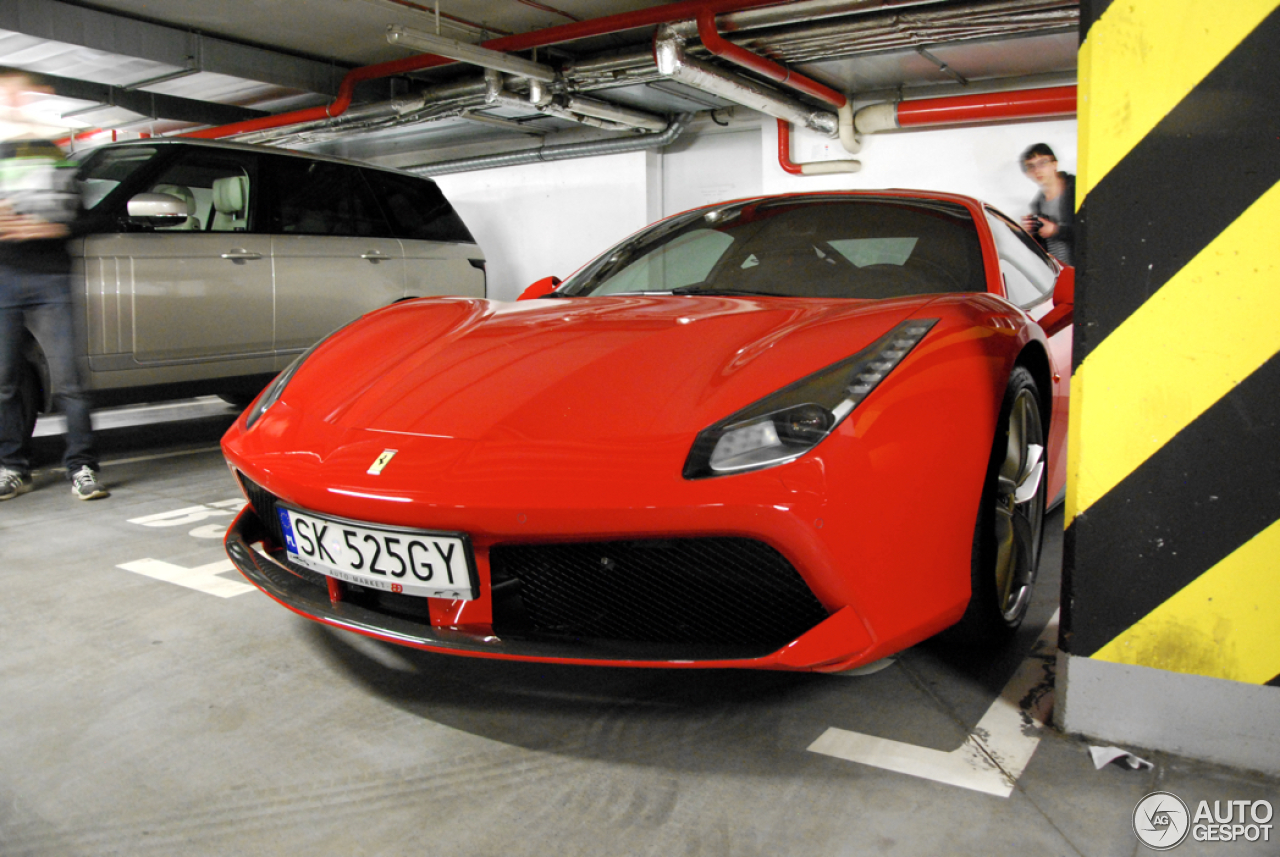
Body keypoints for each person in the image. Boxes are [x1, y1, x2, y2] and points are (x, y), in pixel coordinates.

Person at [0, 67, 107, 501]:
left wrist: (52, 229)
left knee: (70, 381)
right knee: (4, 380)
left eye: (18, 93)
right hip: (3, 278)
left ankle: (82, 466)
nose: (13, 101)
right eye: (7, 94)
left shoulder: (54, 151)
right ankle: (11, 467)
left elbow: (88, 216)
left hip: (52, 278)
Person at [1019, 143, 1075, 267]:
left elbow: (1094, 231)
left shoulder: (1077, 190)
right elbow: (1045, 247)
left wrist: (1056, 230)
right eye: (1030, 166)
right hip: (1060, 274)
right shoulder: (1037, 205)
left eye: (1042, 163)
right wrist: (1030, 233)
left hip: (1084, 272)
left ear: (1055, 164)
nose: (1037, 170)